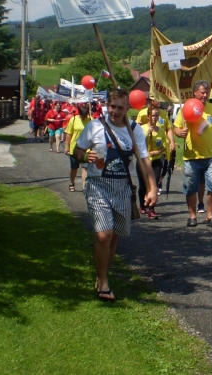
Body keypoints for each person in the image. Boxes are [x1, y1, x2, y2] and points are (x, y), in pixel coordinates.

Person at [74, 88, 157, 301]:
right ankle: (103, 282)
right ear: (106, 106)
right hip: (98, 184)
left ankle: (102, 275)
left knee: (113, 237)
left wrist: (152, 188)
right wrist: (86, 157)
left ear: (128, 108)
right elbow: (77, 151)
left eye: (120, 107)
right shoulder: (95, 127)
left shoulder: (134, 130)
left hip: (122, 186)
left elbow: (144, 160)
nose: (115, 111)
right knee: (104, 234)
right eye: (112, 106)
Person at [173, 80, 212, 228]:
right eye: (202, 92)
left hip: (211, 156)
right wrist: (180, 132)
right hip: (192, 157)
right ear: (195, 93)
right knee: (191, 188)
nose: (204, 95)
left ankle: (209, 216)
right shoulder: (186, 108)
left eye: (207, 92)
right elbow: (176, 128)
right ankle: (192, 216)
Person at [139, 105, 166, 220]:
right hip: (143, 162)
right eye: (152, 115)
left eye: (156, 115)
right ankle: (142, 204)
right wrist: (147, 133)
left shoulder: (161, 131)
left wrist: (157, 152)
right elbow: (137, 144)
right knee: (143, 185)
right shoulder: (142, 129)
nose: (154, 118)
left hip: (156, 161)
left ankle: (152, 209)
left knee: (153, 184)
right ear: (148, 116)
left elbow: (164, 146)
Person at [65, 102, 92, 192]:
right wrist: (66, 146)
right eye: (82, 115)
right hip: (74, 148)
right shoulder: (73, 120)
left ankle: (84, 186)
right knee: (74, 168)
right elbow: (69, 134)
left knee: (85, 168)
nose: (84, 117)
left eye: (85, 115)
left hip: (86, 149)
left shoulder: (91, 120)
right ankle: (72, 182)